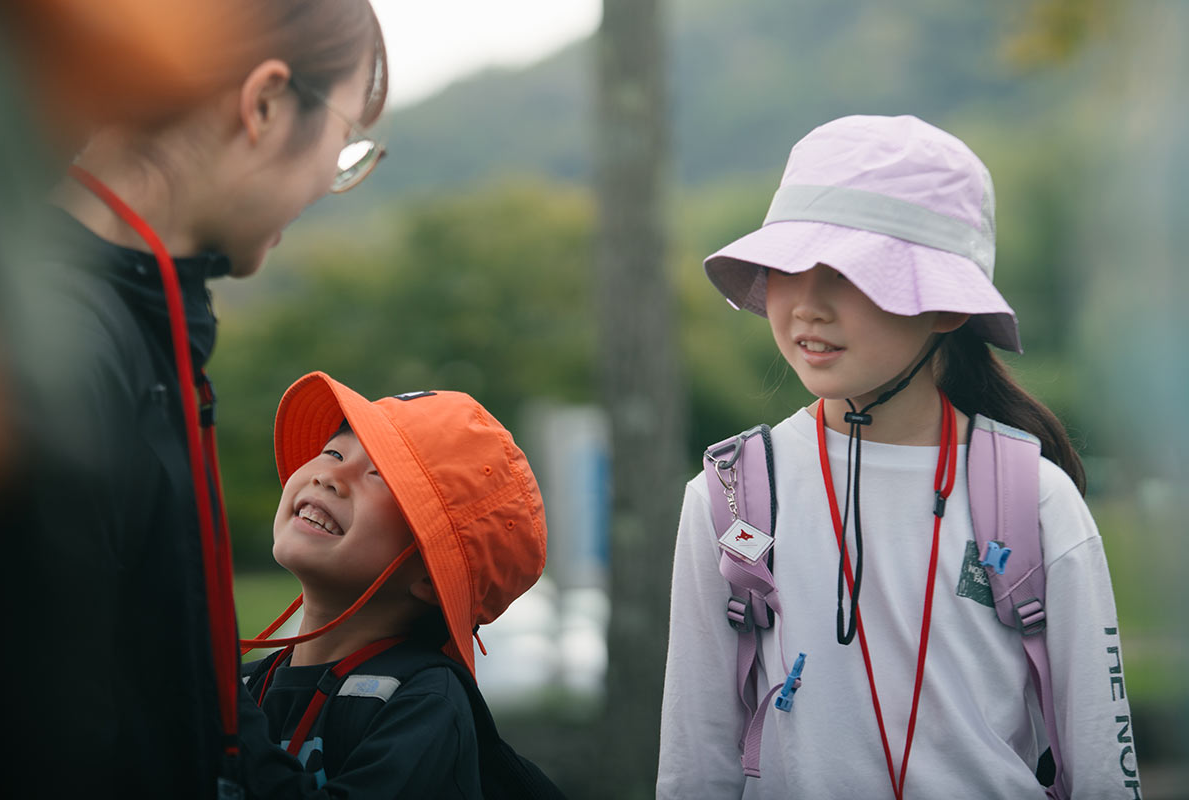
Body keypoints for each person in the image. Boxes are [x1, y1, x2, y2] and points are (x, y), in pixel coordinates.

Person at [657, 115, 1141, 799]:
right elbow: (696, 759)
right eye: (789, 267)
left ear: (946, 307)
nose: (808, 306)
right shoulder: (731, 494)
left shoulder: (1031, 496)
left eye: (848, 273)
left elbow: (1102, 764)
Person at [0, 2, 389, 796]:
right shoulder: (52, 357)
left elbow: (184, 698)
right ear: (265, 103)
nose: (330, 183)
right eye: (345, 138)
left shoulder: (137, 325)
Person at [235, 371, 548, 798]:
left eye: (379, 474)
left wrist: (228, 717)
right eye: (333, 452)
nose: (328, 477)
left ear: (429, 575)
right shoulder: (246, 683)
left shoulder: (424, 703)